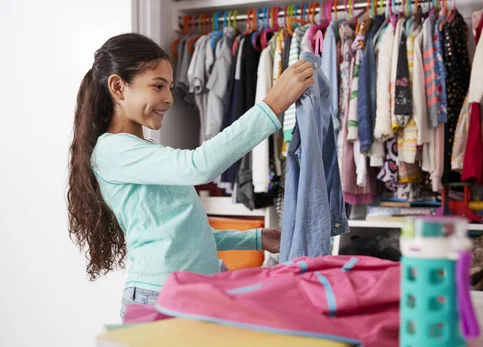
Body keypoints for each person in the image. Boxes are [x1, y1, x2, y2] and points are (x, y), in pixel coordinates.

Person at [67, 33, 314, 320]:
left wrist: (256, 239)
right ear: (118, 87)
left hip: (181, 293)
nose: (169, 99)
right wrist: (272, 104)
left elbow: (186, 236)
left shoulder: (139, 151)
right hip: (159, 297)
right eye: (158, 86)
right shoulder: (114, 150)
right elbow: (199, 165)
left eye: (169, 87)